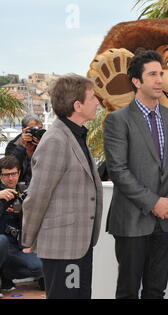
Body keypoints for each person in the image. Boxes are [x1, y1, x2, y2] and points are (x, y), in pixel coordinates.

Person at [103, 50, 168, 299]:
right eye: (153, 74)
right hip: (131, 220)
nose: (160, 80)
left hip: (165, 222)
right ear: (136, 81)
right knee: (128, 291)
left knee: (156, 290)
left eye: (161, 73)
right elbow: (118, 171)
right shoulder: (117, 121)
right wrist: (154, 203)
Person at [21, 74, 103, 299]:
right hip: (63, 248)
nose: (98, 102)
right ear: (77, 105)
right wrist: (28, 239)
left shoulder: (74, 135)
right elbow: (37, 195)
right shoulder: (57, 140)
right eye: (93, 97)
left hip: (78, 245)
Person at [0, 156, 43, 293]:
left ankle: (5, 275)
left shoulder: (24, 191)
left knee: (39, 267)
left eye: (13, 174)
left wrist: (21, 211)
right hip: (2, 245)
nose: (10, 178)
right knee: (1, 241)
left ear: (19, 173)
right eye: (6, 175)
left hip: (17, 246)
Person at [5, 115, 44, 186]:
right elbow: (9, 167)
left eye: (39, 129)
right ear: (23, 129)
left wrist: (42, 147)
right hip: (19, 187)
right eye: (33, 129)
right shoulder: (13, 145)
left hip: (40, 185)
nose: (36, 132)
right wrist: (21, 146)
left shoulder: (45, 143)